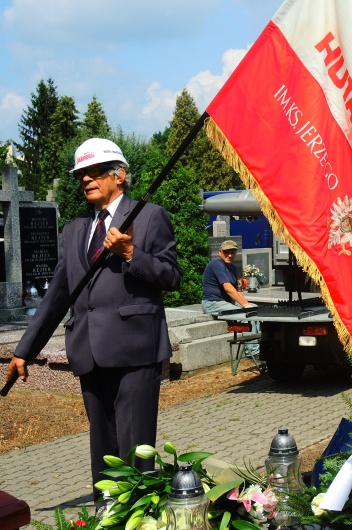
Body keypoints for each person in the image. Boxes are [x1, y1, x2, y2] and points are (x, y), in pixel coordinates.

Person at [5, 138, 180, 492]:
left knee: (135, 452)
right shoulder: (73, 230)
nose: (86, 180)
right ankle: (106, 515)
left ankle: (140, 514)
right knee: (103, 450)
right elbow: (57, 295)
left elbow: (171, 276)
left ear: (120, 176)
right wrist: (24, 349)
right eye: (82, 175)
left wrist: (132, 252)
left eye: (95, 172)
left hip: (135, 351)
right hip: (88, 351)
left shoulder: (149, 216)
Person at [201, 240, 254, 317]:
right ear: (220, 252)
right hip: (213, 303)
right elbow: (228, 288)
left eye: (232, 252)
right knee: (245, 316)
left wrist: (248, 305)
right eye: (227, 252)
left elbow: (236, 291)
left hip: (226, 302)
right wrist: (245, 305)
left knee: (255, 311)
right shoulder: (217, 264)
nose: (230, 255)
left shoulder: (232, 267)